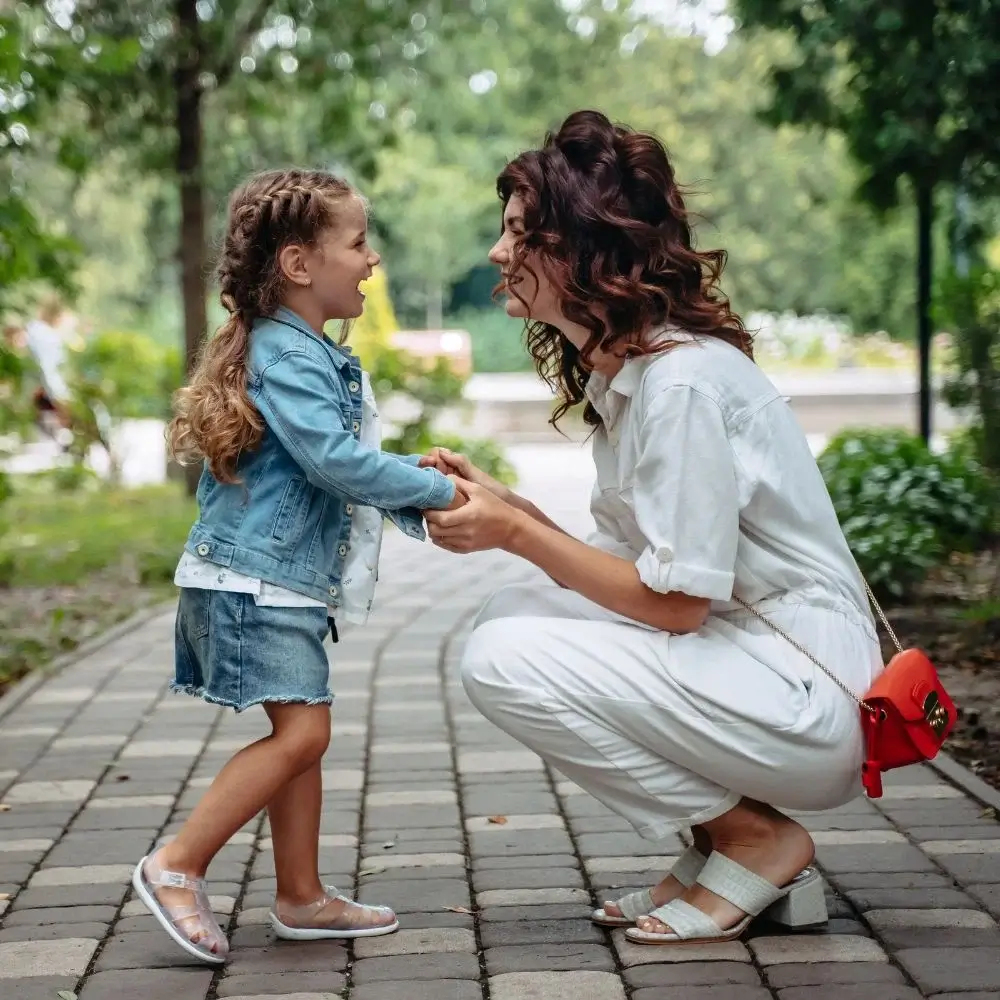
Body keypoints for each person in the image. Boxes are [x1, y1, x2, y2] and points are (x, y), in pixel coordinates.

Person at [421, 110, 883, 947]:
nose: (496, 254)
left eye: (520, 234)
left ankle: (757, 840)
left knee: (502, 657)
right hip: (752, 668)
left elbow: (673, 608)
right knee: (508, 620)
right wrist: (512, 513)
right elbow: (634, 568)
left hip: (807, 693)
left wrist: (517, 536)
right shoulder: (638, 379)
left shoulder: (683, 388)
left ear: (583, 247)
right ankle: (719, 849)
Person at [133, 168, 462, 965]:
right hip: (253, 580)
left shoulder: (296, 346)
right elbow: (332, 461)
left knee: (299, 727)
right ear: (298, 264)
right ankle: (175, 863)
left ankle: (302, 895)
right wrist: (434, 490)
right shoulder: (288, 352)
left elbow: (329, 456)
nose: (372, 258)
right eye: (357, 242)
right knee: (304, 732)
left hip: (271, 577)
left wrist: (407, 468)